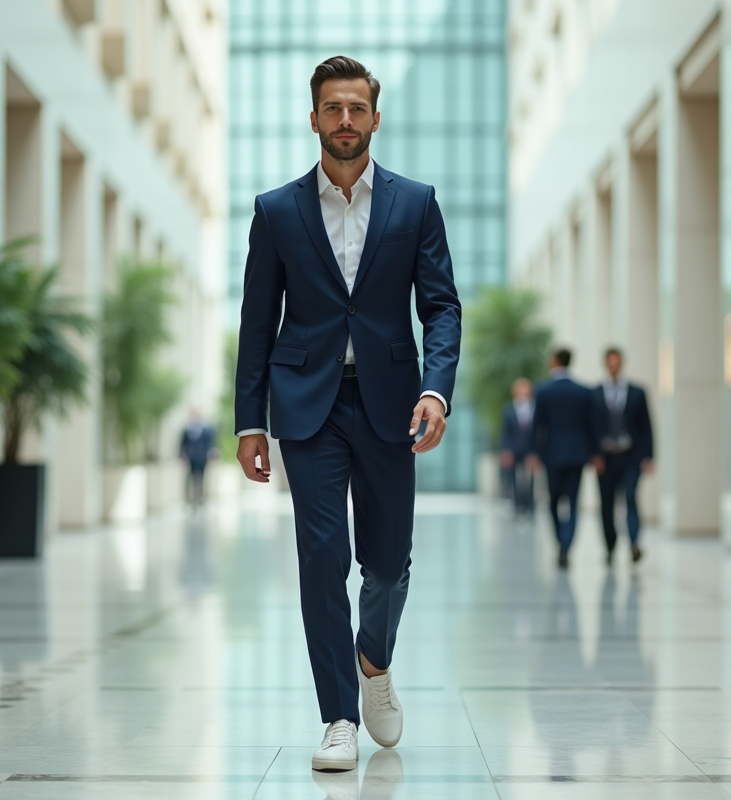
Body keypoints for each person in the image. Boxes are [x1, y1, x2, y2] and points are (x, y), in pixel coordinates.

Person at [233, 55, 461, 772]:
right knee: (322, 556)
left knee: (388, 565)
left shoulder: (415, 203)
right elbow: (256, 318)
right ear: (313, 119)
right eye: (332, 109)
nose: (345, 121)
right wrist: (249, 422)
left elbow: (442, 307)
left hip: (393, 404)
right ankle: (338, 715)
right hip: (309, 407)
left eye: (356, 109)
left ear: (375, 118)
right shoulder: (277, 211)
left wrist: (436, 387)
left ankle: (375, 659)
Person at [528, 348, 602, 569]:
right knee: (573, 502)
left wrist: (534, 453)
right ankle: (566, 546)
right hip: (578, 455)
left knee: (553, 502)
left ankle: (560, 541)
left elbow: (537, 424)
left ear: (554, 362)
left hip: (551, 455)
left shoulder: (543, 390)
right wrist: (595, 453)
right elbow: (593, 426)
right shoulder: (584, 391)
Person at [592, 347, 654, 564]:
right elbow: (591, 428)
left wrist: (649, 456)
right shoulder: (595, 393)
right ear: (605, 364)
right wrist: (594, 455)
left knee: (630, 497)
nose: (614, 366)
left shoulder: (637, 392)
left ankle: (634, 543)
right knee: (606, 503)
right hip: (606, 459)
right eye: (610, 362)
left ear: (622, 363)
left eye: (617, 362)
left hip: (631, 456)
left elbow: (647, 426)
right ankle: (610, 546)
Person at [500, 378, 537, 516]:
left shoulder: (535, 408)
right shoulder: (508, 409)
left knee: (530, 480)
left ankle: (530, 507)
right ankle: (517, 507)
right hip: (514, 450)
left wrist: (536, 452)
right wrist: (505, 450)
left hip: (530, 450)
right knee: (514, 480)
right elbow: (505, 432)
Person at [179, 409, 216, 507]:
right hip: (191, 457)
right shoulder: (187, 430)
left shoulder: (206, 430)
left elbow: (210, 444)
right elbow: (183, 444)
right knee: (190, 477)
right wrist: (182, 456)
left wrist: (211, 456)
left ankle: (200, 497)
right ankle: (189, 498)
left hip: (202, 457)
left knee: (202, 477)